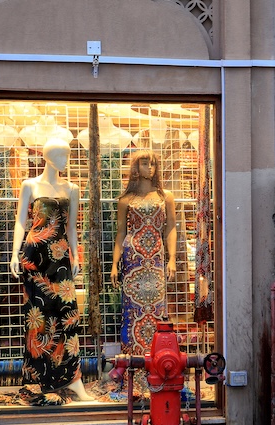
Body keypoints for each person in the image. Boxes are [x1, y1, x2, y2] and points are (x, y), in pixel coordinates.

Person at [9, 137, 93, 402]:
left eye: (67, 156)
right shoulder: (30, 185)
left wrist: (76, 255)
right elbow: (21, 222)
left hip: (60, 259)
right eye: (61, 155)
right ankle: (41, 380)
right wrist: (15, 253)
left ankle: (74, 380)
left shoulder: (72, 188)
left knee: (67, 316)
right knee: (40, 320)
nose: (66, 161)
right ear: (47, 157)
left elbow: (71, 228)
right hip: (35, 258)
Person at [110, 150, 178, 356]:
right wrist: (115, 264)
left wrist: (172, 258)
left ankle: (157, 358)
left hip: (156, 257)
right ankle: (133, 361)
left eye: (153, 164)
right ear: (136, 167)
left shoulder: (165, 197)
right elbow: (121, 233)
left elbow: (171, 227)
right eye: (145, 163)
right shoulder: (126, 200)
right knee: (132, 311)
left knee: (156, 309)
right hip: (133, 260)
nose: (150, 168)